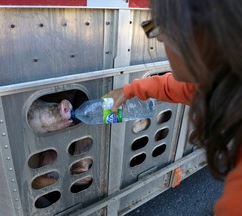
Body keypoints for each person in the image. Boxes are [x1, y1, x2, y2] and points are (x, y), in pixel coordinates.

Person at [104, 0, 242, 215]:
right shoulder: (228, 81)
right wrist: (132, 89)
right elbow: (187, 88)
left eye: (162, 26)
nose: (158, 36)